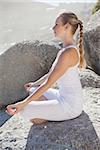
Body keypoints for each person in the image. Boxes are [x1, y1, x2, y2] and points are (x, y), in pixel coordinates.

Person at [6, 11, 86, 125]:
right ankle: (48, 110)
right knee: (33, 90)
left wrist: (23, 104)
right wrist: (35, 84)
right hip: (62, 96)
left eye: (56, 24)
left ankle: (50, 113)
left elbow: (49, 83)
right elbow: (51, 74)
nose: (53, 28)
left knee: (25, 110)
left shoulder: (68, 53)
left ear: (67, 26)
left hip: (70, 106)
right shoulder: (67, 49)